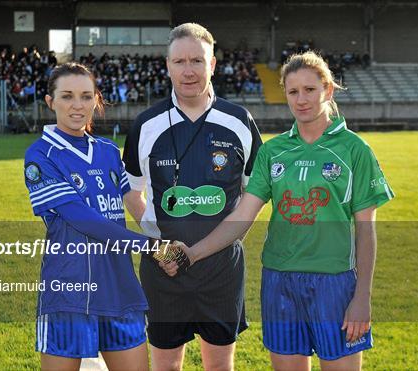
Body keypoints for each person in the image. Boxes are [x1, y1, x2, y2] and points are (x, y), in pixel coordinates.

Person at [163, 51, 394, 371]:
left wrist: (362, 298)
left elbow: (366, 231)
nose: (301, 99)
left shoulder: (354, 150)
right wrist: (192, 253)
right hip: (279, 282)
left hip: (335, 284)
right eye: (293, 91)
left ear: (327, 90)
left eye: (310, 90)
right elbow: (241, 216)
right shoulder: (273, 151)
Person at [122, 23, 262, 371]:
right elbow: (131, 191)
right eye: (180, 61)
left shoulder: (239, 121)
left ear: (212, 65)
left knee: (219, 365)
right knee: (166, 365)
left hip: (221, 269)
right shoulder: (146, 124)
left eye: (197, 61)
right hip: (163, 269)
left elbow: (254, 197)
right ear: (167, 65)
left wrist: (215, 245)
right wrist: (158, 243)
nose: (189, 71)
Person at [23, 62, 153, 371]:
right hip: (70, 290)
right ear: (50, 101)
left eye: (86, 96)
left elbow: (133, 199)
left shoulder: (108, 151)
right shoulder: (40, 155)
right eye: (67, 96)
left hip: (119, 286)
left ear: (96, 99)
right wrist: (150, 247)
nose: (77, 105)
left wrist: (168, 239)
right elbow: (82, 219)